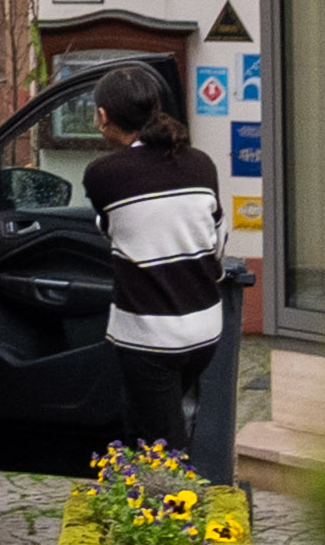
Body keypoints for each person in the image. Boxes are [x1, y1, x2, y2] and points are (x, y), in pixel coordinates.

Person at [80, 55, 236, 479]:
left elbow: (111, 230)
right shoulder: (201, 163)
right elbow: (217, 239)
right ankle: (138, 496)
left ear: (103, 117)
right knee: (149, 425)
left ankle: (175, 511)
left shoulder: (103, 174)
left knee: (164, 447)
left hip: (150, 337)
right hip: (205, 328)